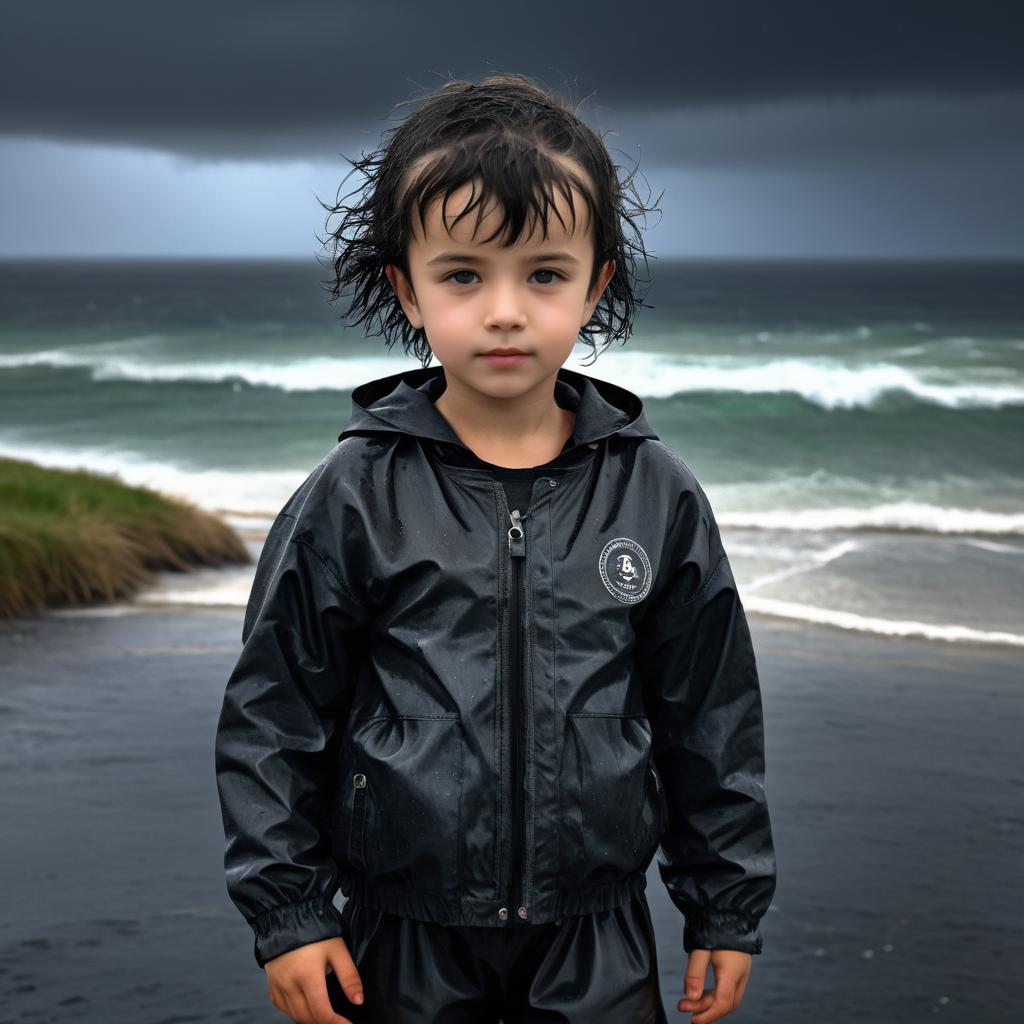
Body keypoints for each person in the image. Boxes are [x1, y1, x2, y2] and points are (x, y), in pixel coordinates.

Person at [214, 72, 777, 1024]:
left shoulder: (655, 492)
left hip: (596, 936)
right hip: (400, 939)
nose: (506, 310)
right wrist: (291, 914)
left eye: (545, 274)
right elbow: (275, 714)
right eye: (465, 274)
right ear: (408, 284)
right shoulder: (354, 493)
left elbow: (710, 718)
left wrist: (726, 907)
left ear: (596, 281)